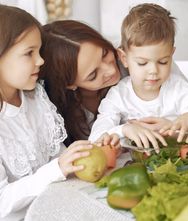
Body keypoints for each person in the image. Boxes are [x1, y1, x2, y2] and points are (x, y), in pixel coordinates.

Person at [39, 19, 188, 148]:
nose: (110, 70)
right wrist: (124, 129)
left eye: (105, 54)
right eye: (93, 74)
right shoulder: (53, 108)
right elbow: (96, 140)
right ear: (70, 84)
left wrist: (180, 122)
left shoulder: (147, 62)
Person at [0, 5, 96, 220]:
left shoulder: (36, 98)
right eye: (29, 53)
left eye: (39, 51)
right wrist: (56, 169)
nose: (41, 61)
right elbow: (2, 202)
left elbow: (59, 157)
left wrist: (84, 157)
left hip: (60, 209)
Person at [88, 3, 188, 152]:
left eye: (163, 62)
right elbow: (95, 137)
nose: (153, 71)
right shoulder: (118, 95)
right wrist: (124, 130)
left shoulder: (180, 89)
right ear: (124, 58)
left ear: (172, 54)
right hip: (133, 167)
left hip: (175, 163)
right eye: (142, 63)